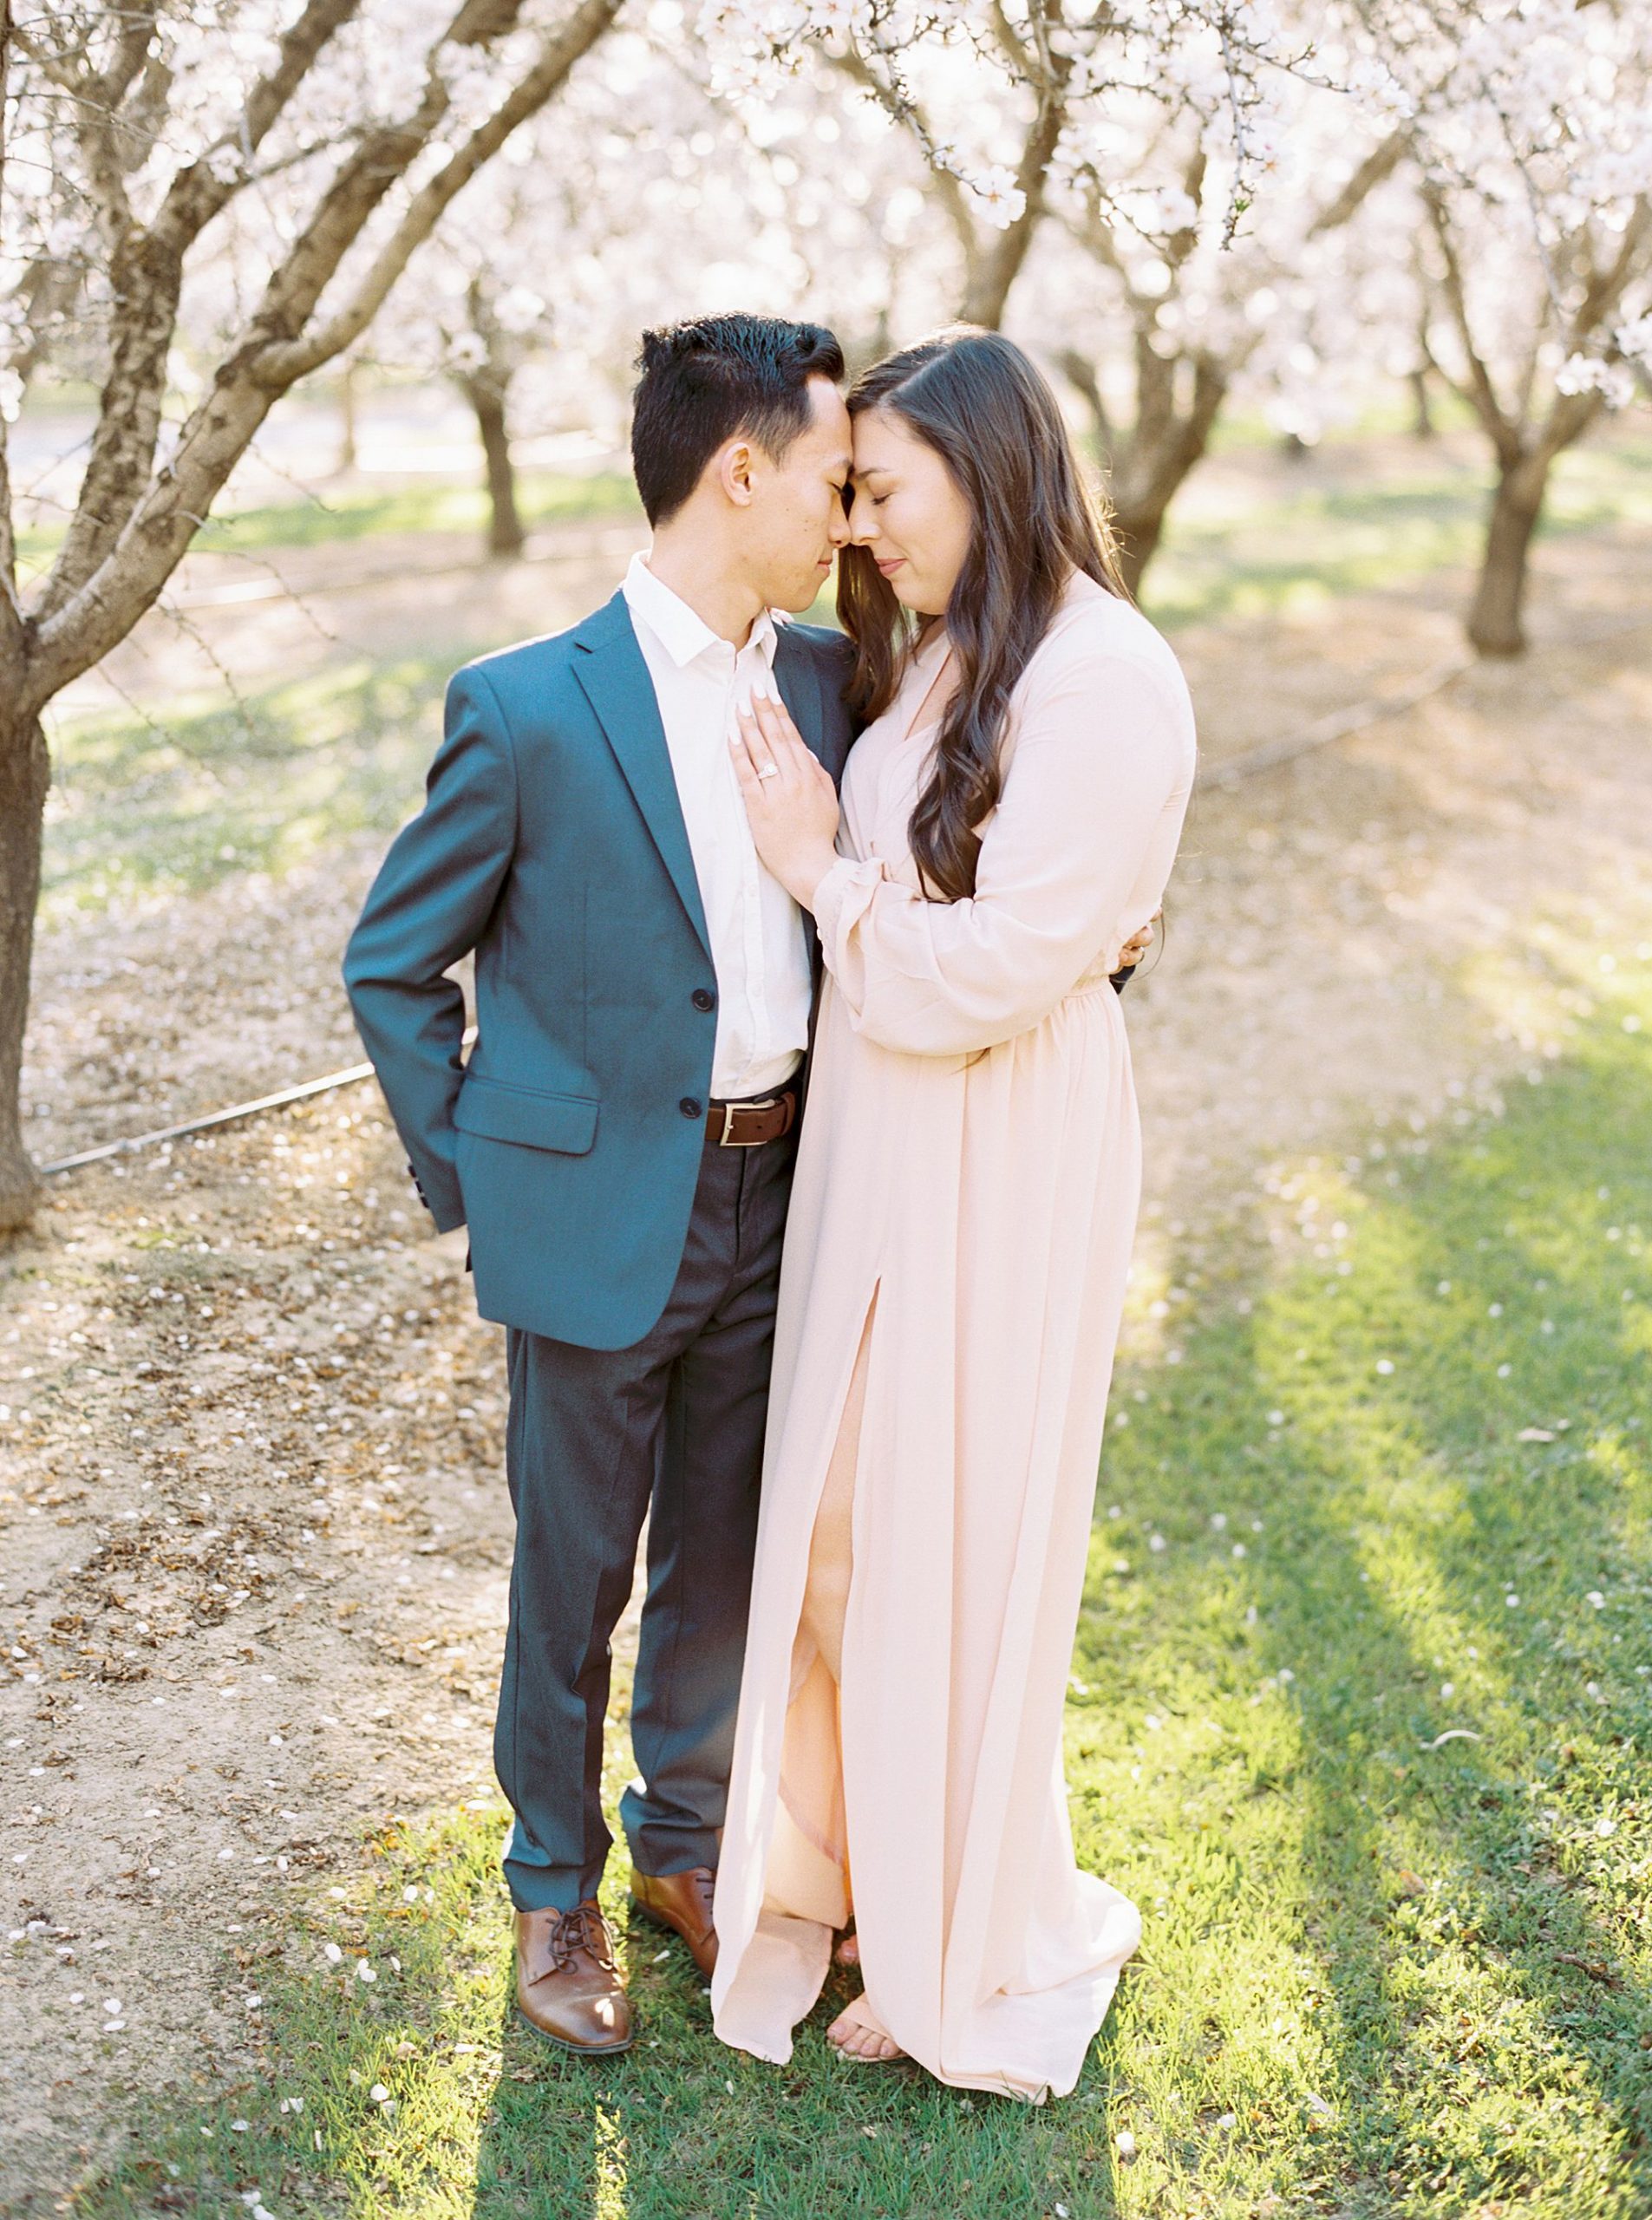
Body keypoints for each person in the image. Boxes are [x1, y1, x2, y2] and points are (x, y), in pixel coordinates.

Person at [341, 314, 861, 2055]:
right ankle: (550, 1884)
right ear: (738, 472)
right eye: (829, 478)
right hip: (592, 1213)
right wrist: (485, 1175)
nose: (845, 516)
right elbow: (390, 965)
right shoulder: (523, 705)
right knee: (573, 1574)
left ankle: (683, 1851)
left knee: (724, 1556)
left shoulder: (821, 679)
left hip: (778, 1197)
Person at [709, 329, 1197, 2103]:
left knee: (949, 1521)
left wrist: (813, 871)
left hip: (996, 1132)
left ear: (987, 473)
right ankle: (851, 1864)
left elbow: (996, 963)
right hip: (888, 1122)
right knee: (844, 1517)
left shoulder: (1103, 678)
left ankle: (960, 1925)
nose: (858, 529)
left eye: (883, 491)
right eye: (847, 493)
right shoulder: (941, 667)